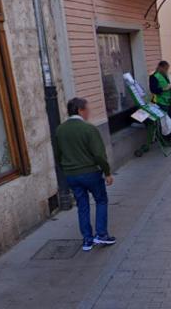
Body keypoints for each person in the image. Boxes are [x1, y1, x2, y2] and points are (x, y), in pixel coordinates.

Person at [54, 97, 116, 252]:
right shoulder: (89, 129)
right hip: (90, 172)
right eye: (87, 109)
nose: (89, 112)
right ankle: (101, 234)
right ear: (80, 110)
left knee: (82, 205)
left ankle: (87, 240)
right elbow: (99, 155)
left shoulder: (60, 130)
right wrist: (107, 172)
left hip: (71, 175)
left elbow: (58, 154)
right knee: (101, 200)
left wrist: (66, 170)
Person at [149, 60, 171, 145]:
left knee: (170, 120)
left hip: (168, 101)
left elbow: (166, 86)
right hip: (160, 102)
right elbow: (153, 90)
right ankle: (164, 139)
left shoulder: (164, 75)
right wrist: (165, 89)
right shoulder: (154, 76)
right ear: (160, 67)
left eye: (167, 69)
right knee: (164, 122)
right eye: (165, 68)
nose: (167, 70)